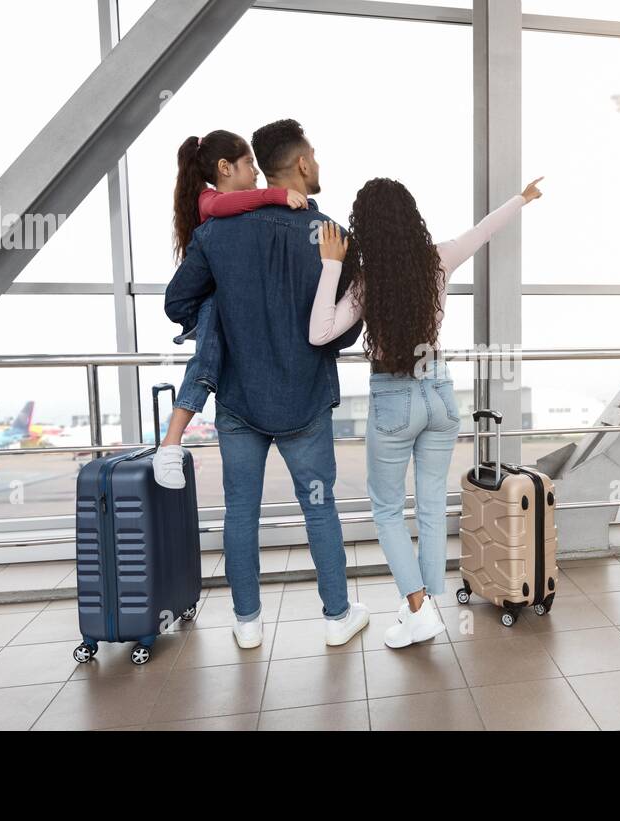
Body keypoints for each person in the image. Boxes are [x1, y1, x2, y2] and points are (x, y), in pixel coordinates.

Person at [310, 175, 543, 648]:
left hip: (394, 398)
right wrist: (521, 197)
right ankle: (425, 606)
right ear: (410, 217)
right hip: (438, 391)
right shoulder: (437, 259)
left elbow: (320, 332)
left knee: (388, 509)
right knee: (432, 506)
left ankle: (418, 610)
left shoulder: (365, 280)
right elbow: (484, 230)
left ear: (366, 227)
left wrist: (331, 266)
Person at [165, 119, 368, 649]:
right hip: (304, 400)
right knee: (318, 507)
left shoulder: (214, 234)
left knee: (241, 513)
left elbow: (176, 303)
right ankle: (336, 618)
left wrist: (219, 316)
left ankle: (247, 623)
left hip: (238, 402)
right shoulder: (331, 237)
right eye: (315, 157)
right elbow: (342, 336)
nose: (318, 165)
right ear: (301, 164)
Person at [152, 129, 307, 488]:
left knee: (212, 350)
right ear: (224, 167)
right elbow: (224, 205)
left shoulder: (241, 211)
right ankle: (170, 444)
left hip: (226, 307)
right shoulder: (209, 201)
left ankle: (172, 441)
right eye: (248, 164)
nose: (255, 172)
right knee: (206, 357)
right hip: (206, 304)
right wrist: (278, 195)